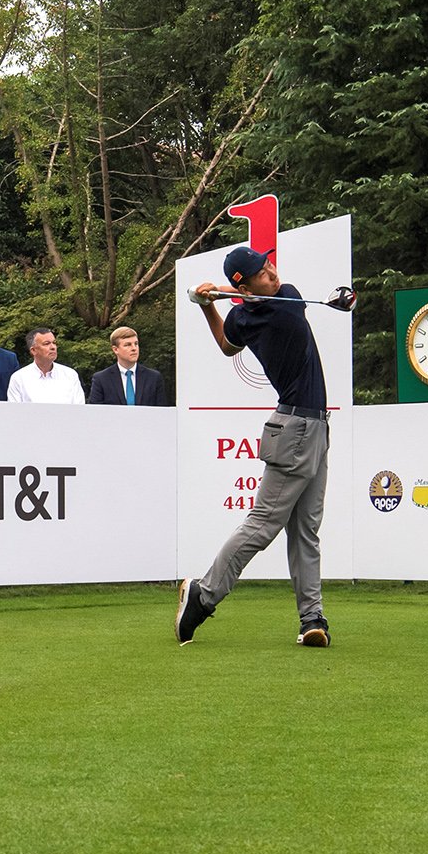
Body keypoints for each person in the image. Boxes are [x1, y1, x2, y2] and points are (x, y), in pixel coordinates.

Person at [176, 246, 340, 649]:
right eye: (261, 272)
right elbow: (229, 344)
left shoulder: (256, 309)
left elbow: (227, 343)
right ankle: (204, 595)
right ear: (243, 284)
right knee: (264, 523)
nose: (272, 271)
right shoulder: (283, 303)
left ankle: (311, 618)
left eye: (268, 264)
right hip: (297, 428)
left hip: (311, 427)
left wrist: (206, 304)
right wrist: (211, 302)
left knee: (306, 531)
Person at [88, 326, 165, 407]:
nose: (134, 348)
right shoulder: (101, 379)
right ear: (115, 349)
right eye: (128, 345)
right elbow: (95, 414)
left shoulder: (153, 378)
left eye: (136, 344)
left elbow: (161, 412)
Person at [6, 329, 84, 403]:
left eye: (54, 343)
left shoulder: (70, 375)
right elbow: (15, 412)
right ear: (33, 350)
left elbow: (79, 409)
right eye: (46, 344)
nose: (53, 347)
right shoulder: (19, 378)